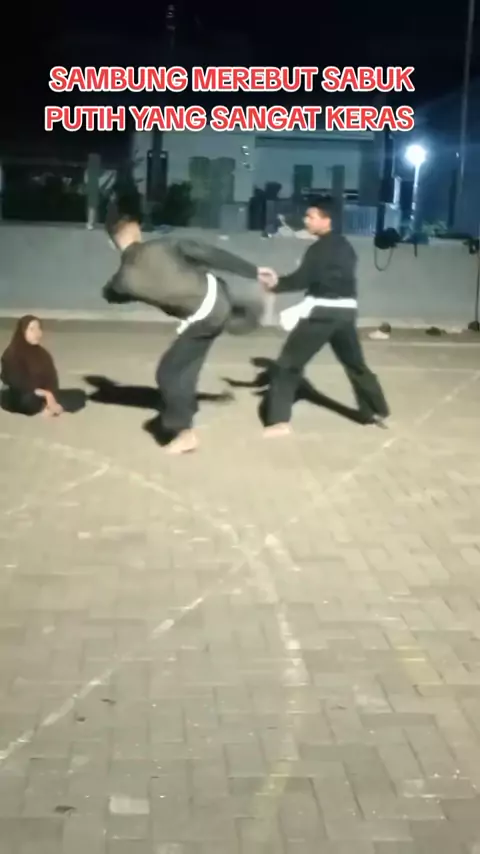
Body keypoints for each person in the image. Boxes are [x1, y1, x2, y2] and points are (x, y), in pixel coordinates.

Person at [103, 216, 264, 454]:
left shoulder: (124, 280)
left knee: (168, 373)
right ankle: (186, 410)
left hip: (204, 316)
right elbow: (209, 253)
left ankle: (184, 431)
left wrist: (113, 290)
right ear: (138, 233)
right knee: (188, 365)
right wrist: (254, 271)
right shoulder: (165, 245)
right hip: (218, 296)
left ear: (111, 243)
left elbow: (112, 295)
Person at [257, 198, 390, 437]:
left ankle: (279, 422)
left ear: (327, 220)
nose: (306, 220)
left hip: (321, 315)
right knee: (356, 365)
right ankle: (376, 411)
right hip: (346, 314)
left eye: (311, 216)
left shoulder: (319, 249)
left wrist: (275, 284)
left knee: (287, 366)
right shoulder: (346, 247)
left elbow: (302, 279)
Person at [0, 316, 86, 417]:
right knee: (29, 400)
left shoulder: (43, 354)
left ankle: (50, 407)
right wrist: (46, 394)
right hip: (17, 396)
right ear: (22, 332)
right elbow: (18, 384)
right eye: (32, 329)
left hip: (41, 396)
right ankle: (49, 407)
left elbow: (52, 379)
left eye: (39, 328)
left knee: (79, 395)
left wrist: (51, 394)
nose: (37, 333)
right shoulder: (12, 354)